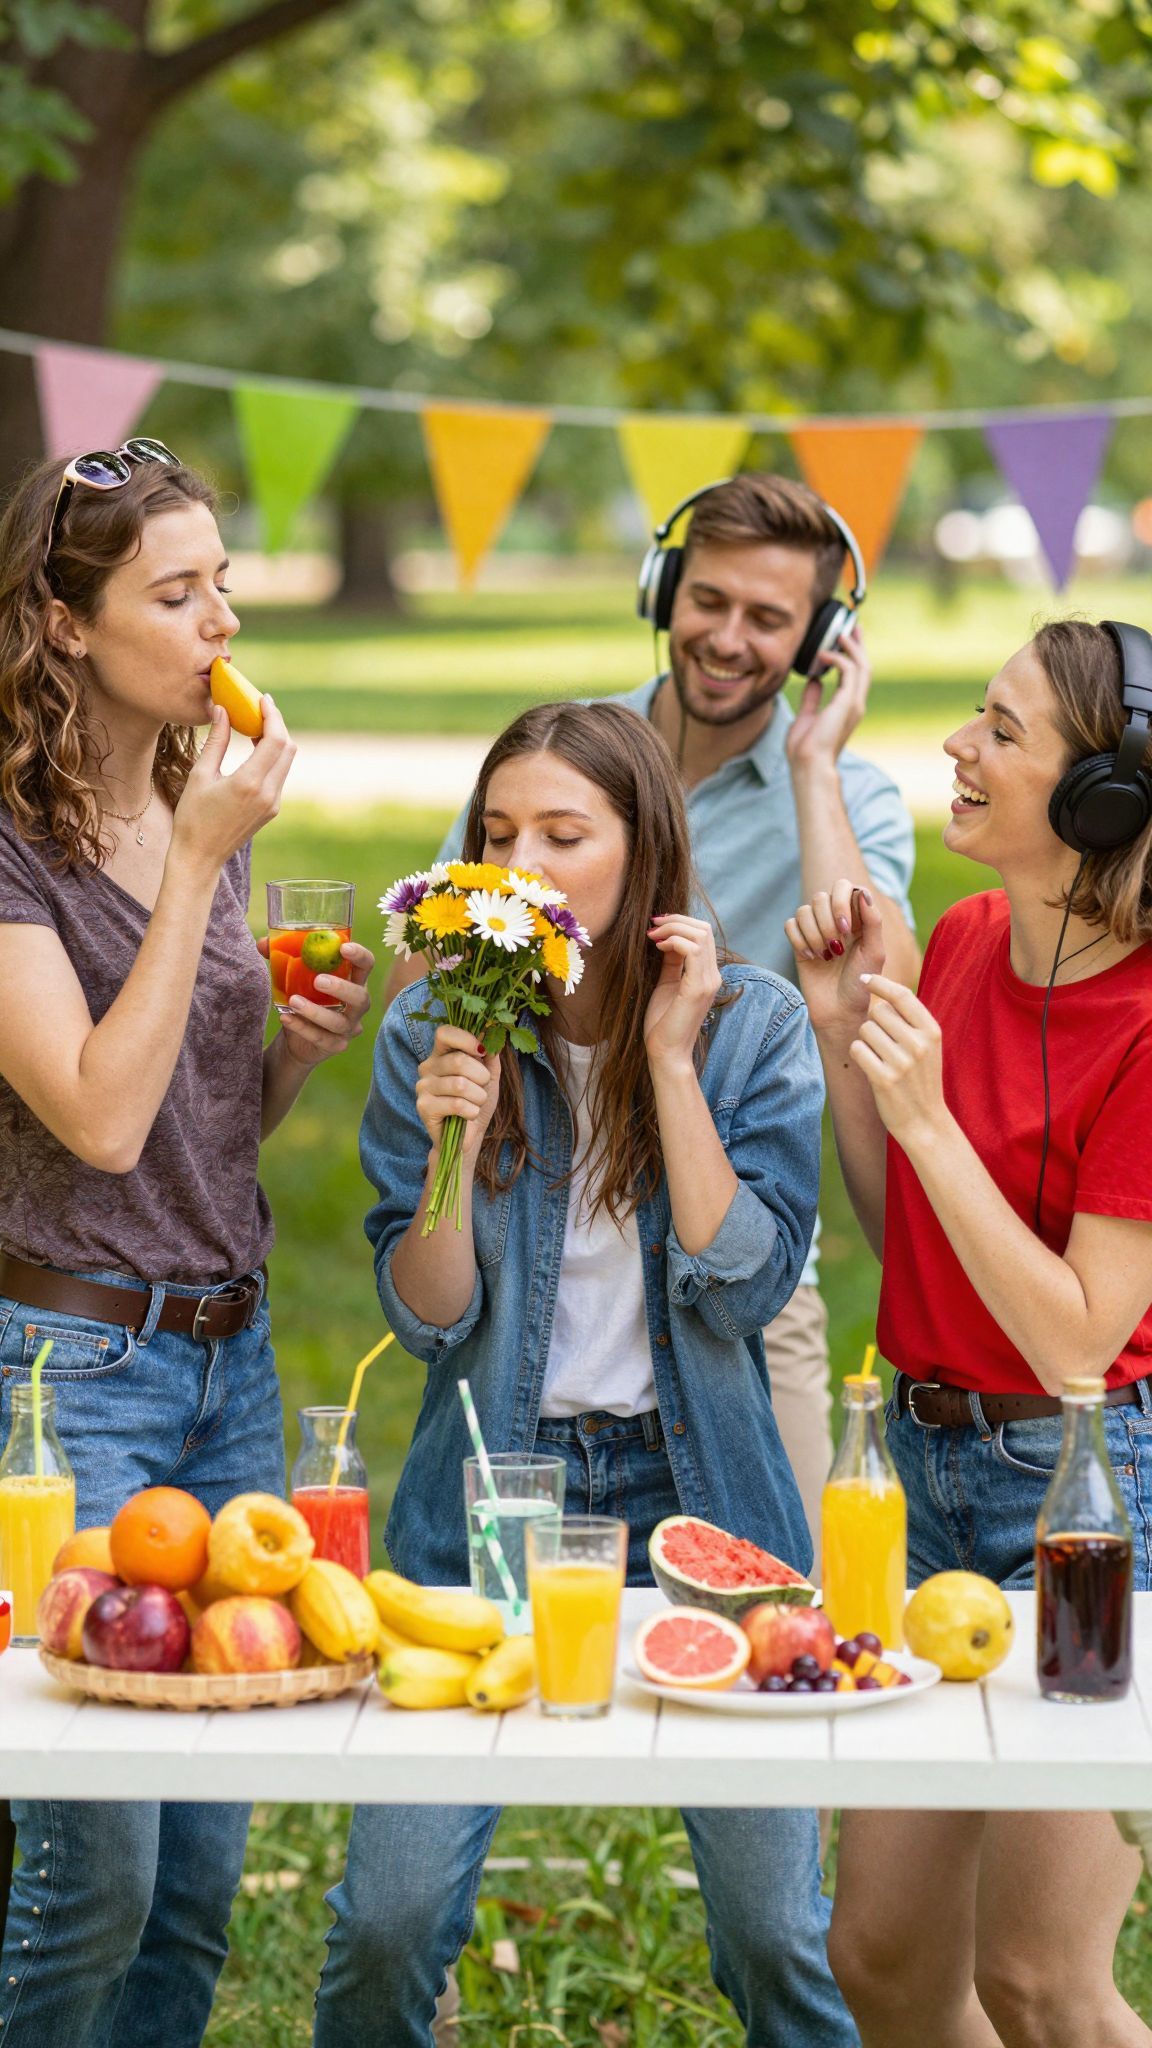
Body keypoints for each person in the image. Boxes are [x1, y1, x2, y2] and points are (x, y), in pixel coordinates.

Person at [317, 700, 857, 2048]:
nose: (527, 863)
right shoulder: (435, 1033)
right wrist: (455, 1136)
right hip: (498, 1487)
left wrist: (671, 1059)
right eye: (500, 835)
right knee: (384, 1924)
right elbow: (431, 1321)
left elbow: (741, 1283)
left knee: (776, 1932)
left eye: (567, 832)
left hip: (705, 1485)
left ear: (647, 852)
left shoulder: (753, 1031)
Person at [0, 445, 373, 2047]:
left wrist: (286, 1045)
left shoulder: (179, 784)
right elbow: (91, 1116)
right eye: (177, 591)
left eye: (224, 579)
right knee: (98, 1872)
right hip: (79, 1369)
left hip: (230, 1370)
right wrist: (206, 864)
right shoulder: (19, 843)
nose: (222, 619)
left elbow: (181, 1120)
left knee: (206, 1867)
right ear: (67, 625)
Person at [383, 475, 919, 1560]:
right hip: (519, 1268)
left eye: (769, 618)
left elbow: (870, 991)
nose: (727, 637)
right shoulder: (562, 762)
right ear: (664, 588)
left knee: (779, 1599)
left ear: (818, 637)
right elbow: (432, 972)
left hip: (720, 1237)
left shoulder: (839, 809)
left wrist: (812, 768)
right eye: (707, 599)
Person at [786, 618, 1152, 2048]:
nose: (956, 744)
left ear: (1100, 801)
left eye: (1002, 731)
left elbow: (1079, 1343)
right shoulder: (963, 937)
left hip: (1081, 1500)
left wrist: (930, 1115)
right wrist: (846, 1041)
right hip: (919, 1488)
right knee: (880, 1959)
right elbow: (908, 1238)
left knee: (1041, 1982)